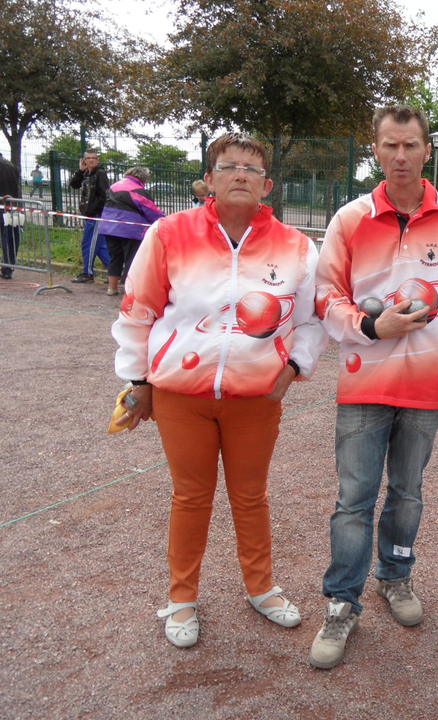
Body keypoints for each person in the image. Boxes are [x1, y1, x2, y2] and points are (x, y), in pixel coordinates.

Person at [111, 133, 326, 649]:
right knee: (190, 497)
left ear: (267, 184)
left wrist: (295, 366)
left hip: (255, 398)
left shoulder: (296, 246)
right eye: (228, 166)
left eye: (251, 169)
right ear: (208, 179)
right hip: (182, 396)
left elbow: (313, 319)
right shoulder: (168, 234)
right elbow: (138, 312)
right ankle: (182, 597)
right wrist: (138, 381)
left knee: (251, 497)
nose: (239, 175)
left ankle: (261, 587)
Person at [309, 105, 438, 669]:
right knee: (353, 499)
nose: (401, 156)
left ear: (428, 150)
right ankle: (342, 601)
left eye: (411, 145)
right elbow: (325, 295)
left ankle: (397, 577)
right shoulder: (350, 217)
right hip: (364, 382)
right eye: (390, 146)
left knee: (407, 493)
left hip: (428, 386)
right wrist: (367, 325)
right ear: (376, 151)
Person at [99, 167, 165, 296]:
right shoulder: (137, 189)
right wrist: (164, 219)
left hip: (109, 227)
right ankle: (129, 292)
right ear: (143, 178)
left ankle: (112, 288)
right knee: (132, 259)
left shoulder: (114, 186)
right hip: (130, 230)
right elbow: (150, 209)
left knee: (115, 258)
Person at [69, 150, 111, 283]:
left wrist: (94, 210)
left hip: (96, 215)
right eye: (88, 158)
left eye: (94, 158)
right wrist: (80, 171)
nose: (91, 160)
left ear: (98, 160)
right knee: (100, 246)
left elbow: (104, 195)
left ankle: (87, 273)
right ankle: (117, 271)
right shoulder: (86, 173)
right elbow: (74, 184)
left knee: (88, 243)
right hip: (89, 214)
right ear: (84, 160)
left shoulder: (100, 174)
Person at [0, 152, 21, 280]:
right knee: (10, 238)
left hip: (3, 204)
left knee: (8, 237)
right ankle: (8, 268)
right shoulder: (11, 165)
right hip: (11, 206)